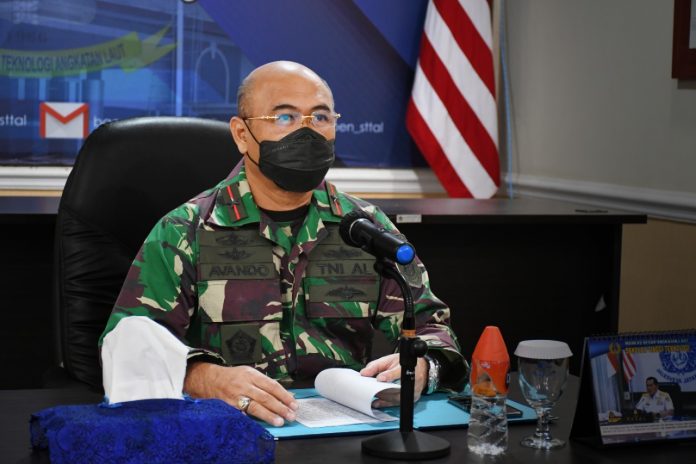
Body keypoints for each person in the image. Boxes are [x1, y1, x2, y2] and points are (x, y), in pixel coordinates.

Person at [99, 61, 467, 427]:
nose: (307, 134)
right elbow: (129, 347)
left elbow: (429, 326)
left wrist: (423, 365)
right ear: (242, 134)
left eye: (320, 118)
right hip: (228, 429)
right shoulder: (185, 230)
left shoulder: (365, 229)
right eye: (285, 118)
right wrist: (203, 377)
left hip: (343, 431)